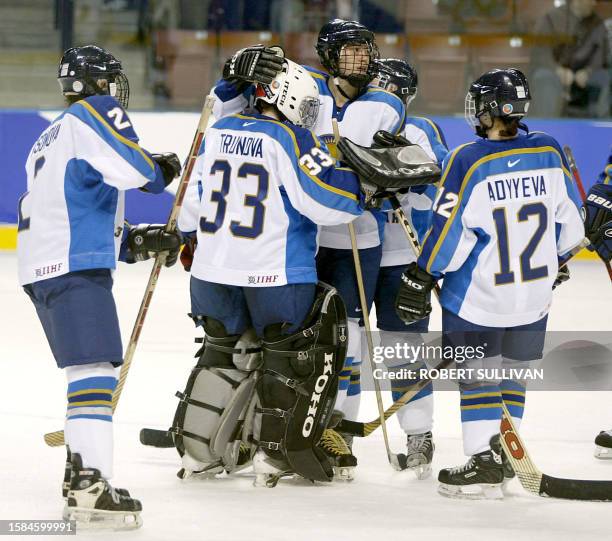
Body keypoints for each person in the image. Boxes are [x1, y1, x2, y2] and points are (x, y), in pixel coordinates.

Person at [207, 20, 406, 473]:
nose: (363, 60)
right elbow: (228, 108)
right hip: (301, 237)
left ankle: (334, 427)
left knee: (347, 339)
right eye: (352, 51)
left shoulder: (385, 103)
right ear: (328, 56)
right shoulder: (302, 84)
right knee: (287, 342)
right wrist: (233, 74)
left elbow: (389, 157)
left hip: (359, 236)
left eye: (366, 50)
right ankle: (259, 422)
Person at [394, 68, 585, 499]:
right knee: (513, 375)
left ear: (486, 110)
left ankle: (484, 459)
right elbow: (571, 229)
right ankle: (504, 452)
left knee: (478, 377)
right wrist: (554, 261)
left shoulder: (469, 159)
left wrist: (421, 274)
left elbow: (448, 234)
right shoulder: (549, 150)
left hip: (480, 298)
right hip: (535, 297)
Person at [175, 58, 366, 487]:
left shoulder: (219, 131)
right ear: (286, 97)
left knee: (221, 353)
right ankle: (272, 455)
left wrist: (190, 237)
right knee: (290, 359)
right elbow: (326, 201)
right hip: (273, 273)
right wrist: (360, 191)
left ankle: (198, 451)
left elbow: (190, 204)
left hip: (211, 271)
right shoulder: (288, 137)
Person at [17, 45, 182, 529]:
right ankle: (89, 483)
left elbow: (73, 210)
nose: (116, 92)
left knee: (86, 371)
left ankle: (79, 475)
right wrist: (160, 170)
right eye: (111, 81)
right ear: (98, 85)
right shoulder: (95, 113)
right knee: (95, 371)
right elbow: (137, 171)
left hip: (45, 269)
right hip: (70, 268)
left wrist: (135, 242)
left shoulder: (48, 138)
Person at [370, 58, 447, 479]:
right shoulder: (353, 119)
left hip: (403, 255)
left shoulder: (421, 129)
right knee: (342, 345)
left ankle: (418, 432)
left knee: (405, 350)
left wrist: (410, 174)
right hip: (352, 249)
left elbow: (444, 176)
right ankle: (337, 430)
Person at [530, 0, 610, 118]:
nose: (594, 3)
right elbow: (540, 52)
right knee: (543, 77)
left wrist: (588, 71)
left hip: (585, 74)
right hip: (555, 72)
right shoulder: (551, 18)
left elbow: (601, 53)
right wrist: (557, 70)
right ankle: (547, 127)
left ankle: (602, 127)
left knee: (604, 77)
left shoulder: (597, 22)